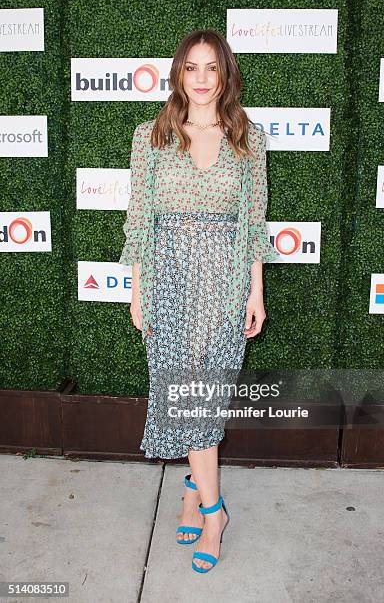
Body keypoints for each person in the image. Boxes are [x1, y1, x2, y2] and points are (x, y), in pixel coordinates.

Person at [119, 29, 280, 573]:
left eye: (213, 68)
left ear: (226, 74)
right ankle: (207, 503)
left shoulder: (248, 139)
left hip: (225, 282)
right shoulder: (151, 137)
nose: (203, 79)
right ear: (179, 74)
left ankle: (208, 507)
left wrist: (255, 291)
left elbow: (252, 222)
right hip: (167, 280)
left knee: (202, 398)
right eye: (193, 68)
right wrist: (139, 292)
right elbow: (140, 221)